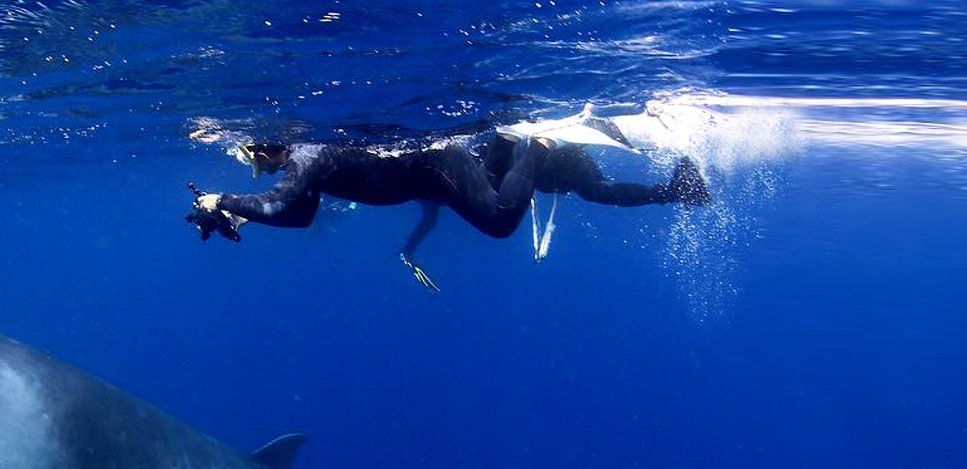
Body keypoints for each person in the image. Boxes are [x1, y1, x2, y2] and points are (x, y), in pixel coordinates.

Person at [191, 113, 709, 289]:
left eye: (247, 157)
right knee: (502, 203)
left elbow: (285, 208)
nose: (251, 167)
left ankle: (540, 142)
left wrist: (225, 199)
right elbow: (297, 213)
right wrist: (234, 207)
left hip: (441, 166)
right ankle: (508, 141)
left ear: (263, 146)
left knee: (505, 221)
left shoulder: (305, 155)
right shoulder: (304, 163)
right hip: (436, 174)